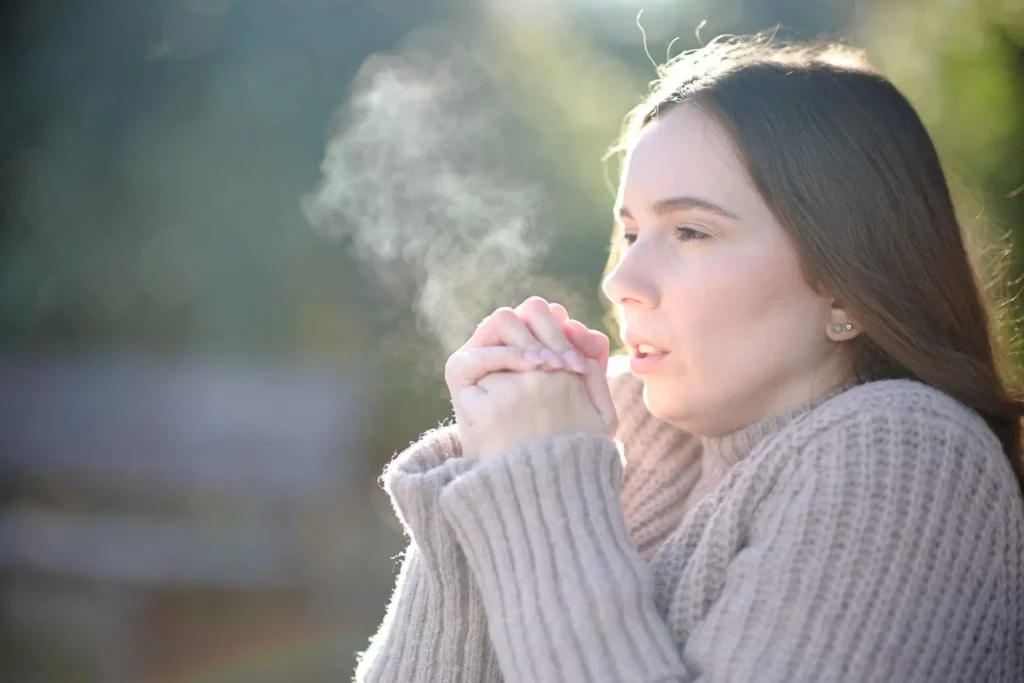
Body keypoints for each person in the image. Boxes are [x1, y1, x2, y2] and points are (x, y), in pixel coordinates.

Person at [354, 32, 1024, 682]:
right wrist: (484, 485)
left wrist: (540, 479)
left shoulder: (907, 454)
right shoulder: (625, 436)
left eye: (692, 231)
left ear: (848, 284)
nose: (622, 282)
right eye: (632, 232)